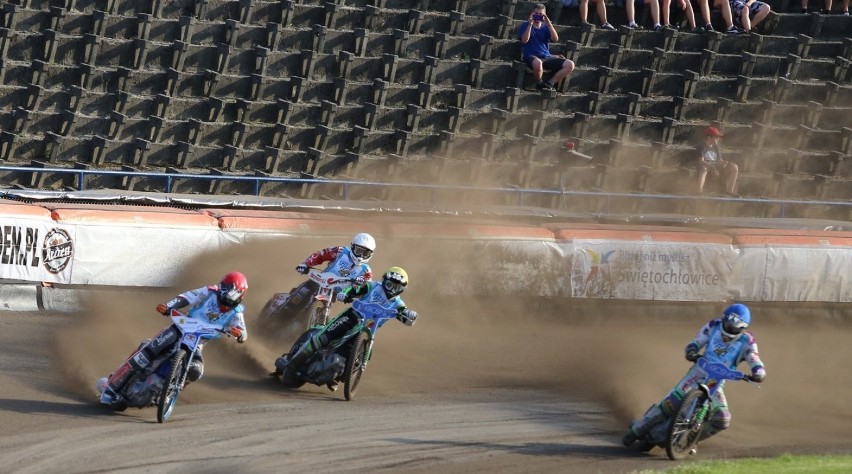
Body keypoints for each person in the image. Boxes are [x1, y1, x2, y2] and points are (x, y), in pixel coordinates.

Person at [622, 304, 766, 452]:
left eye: (734, 327)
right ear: (724, 319)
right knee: (671, 403)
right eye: (727, 324)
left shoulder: (747, 341)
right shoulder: (713, 325)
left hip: (717, 383)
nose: (728, 330)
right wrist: (692, 350)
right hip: (697, 373)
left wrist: (758, 372)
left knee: (722, 419)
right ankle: (637, 429)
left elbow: (754, 357)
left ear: (742, 328)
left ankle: (693, 439)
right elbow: (697, 340)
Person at [98, 271, 249, 405]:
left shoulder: (236, 312)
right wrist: (169, 306)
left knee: (196, 370)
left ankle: (169, 392)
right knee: (148, 352)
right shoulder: (209, 291)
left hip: (197, 342)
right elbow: (187, 297)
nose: (222, 289)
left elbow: (242, 330)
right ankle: (111, 388)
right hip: (180, 328)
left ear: (237, 293)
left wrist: (239, 333)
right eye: (223, 285)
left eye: (227, 288)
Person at [274, 266, 417, 391]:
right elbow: (356, 289)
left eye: (396, 287)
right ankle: (292, 365)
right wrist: (346, 293)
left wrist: (410, 316)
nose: (392, 289)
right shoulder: (373, 286)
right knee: (324, 337)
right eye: (390, 284)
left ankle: (337, 375)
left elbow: (405, 315)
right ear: (384, 281)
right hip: (352, 317)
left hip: (368, 329)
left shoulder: (398, 304)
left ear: (402, 289)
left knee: (361, 353)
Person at [287, 232, 376, 317]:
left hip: (333, 293)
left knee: (325, 310)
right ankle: (281, 310)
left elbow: (364, 290)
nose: (361, 255)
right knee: (298, 297)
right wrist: (306, 264)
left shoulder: (366, 271)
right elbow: (321, 255)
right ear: (352, 247)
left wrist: (351, 294)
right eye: (359, 250)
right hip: (317, 281)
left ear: (370, 254)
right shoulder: (340, 251)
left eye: (365, 253)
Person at [518, 3, 576, 91]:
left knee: (570, 64)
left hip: (546, 56)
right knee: (538, 63)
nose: (538, 16)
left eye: (541, 14)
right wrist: (530, 25)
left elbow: (555, 39)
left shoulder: (545, 27)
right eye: (536, 14)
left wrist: (549, 25)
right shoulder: (525, 25)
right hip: (531, 56)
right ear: (532, 14)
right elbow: (524, 40)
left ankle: (550, 83)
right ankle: (539, 83)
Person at [696, 126, 739, 196]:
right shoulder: (702, 146)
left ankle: (730, 191)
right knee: (704, 169)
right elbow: (701, 161)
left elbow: (720, 160)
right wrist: (712, 166)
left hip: (715, 166)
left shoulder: (716, 147)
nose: (718, 139)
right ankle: (699, 191)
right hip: (706, 166)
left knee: (735, 166)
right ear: (709, 137)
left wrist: (724, 163)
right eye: (716, 137)